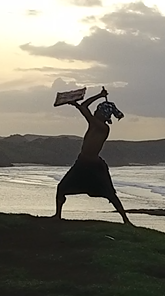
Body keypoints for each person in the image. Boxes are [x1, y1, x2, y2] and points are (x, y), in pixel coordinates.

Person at [55, 87, 131, 224]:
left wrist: (80, 104)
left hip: (95, 166)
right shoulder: (94, 124)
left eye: (98, 111)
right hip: (81, 162)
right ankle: (57, 216)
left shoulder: (103, 127)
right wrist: (98, 96)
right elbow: (85, 108)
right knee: (61, 188)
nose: (95, 112)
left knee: (110, 194)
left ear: (103, 115)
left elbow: (85, 108)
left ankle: (126, 220)